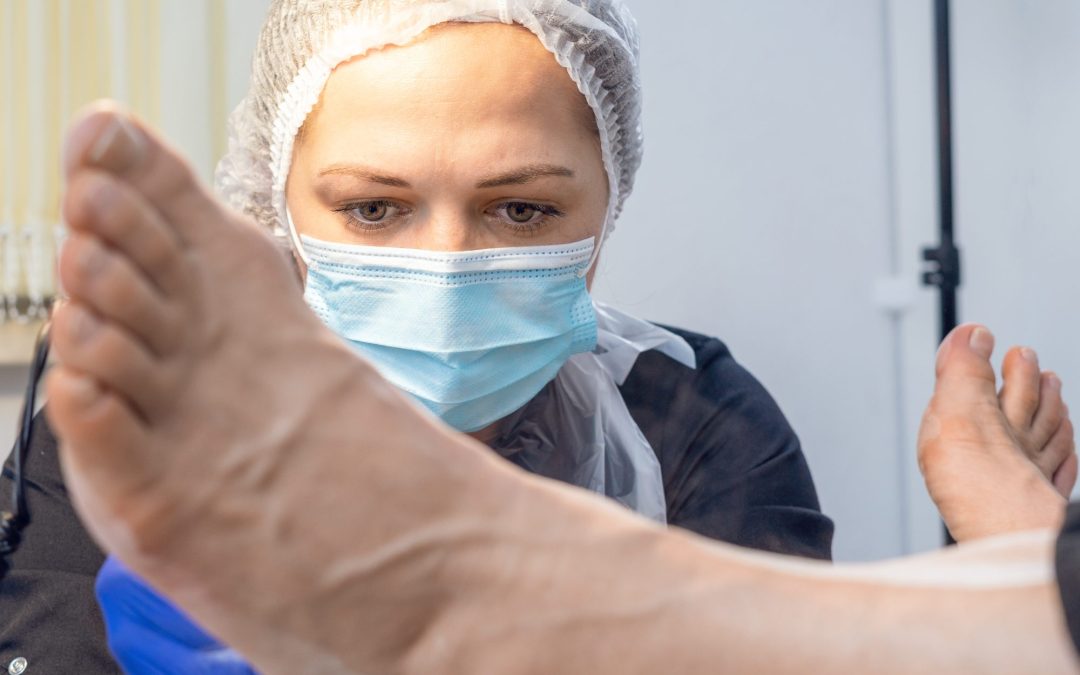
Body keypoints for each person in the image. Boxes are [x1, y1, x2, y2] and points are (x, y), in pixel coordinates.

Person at [41, 104, 1080, 673]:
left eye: (523, 212)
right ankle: (1019, 602)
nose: (447, 262)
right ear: (280, 198)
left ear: (606, 196)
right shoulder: (167, 412)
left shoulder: (692, 404)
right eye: (370, 208)